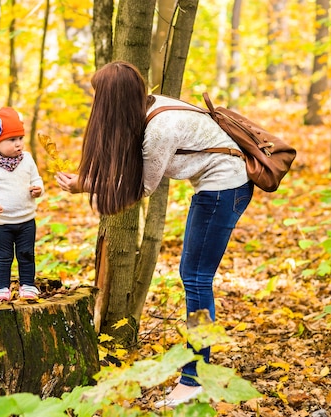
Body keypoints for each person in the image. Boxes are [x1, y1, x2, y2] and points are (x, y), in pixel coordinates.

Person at [55, 61, 253, 408]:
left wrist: (83, 185)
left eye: (99, 97)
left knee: (195, 279)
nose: (96, 105)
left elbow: (141, 187)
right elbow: (133, 169)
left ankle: (194, 378)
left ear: (113, 101)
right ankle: (197, 370)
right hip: (219, 186)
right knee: (193, 277)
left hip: (225, 186)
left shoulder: (162, 128)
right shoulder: (148, 107)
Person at [0, 107, 44, 302]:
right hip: (2, 224)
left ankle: (28, 285)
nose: (18, 144)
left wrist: (38, 188)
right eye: (12, 140)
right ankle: (1, 287)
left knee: (26, 254)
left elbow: (36, 179)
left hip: (26, 220)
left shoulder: (27, 160)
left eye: (20, 138)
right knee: (3, 257)